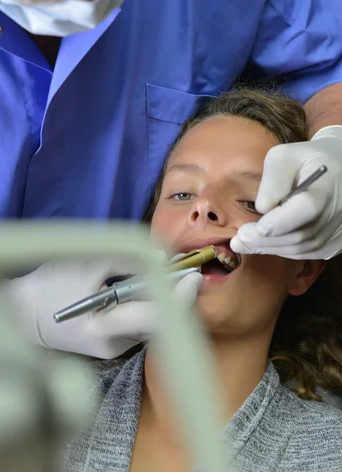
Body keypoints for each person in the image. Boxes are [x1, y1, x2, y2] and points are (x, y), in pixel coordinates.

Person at [0, 0, 342, 357]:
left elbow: (328, 61)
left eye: (251, 202)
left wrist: (335, 141)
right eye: (180, 190)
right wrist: (4, 315)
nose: (83, 0)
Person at [63, 88, 342, 472]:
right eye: (180, 193)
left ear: (305, 268)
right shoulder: (38, 406)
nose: (204, 206)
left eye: (249, 200)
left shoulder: (329, 453)